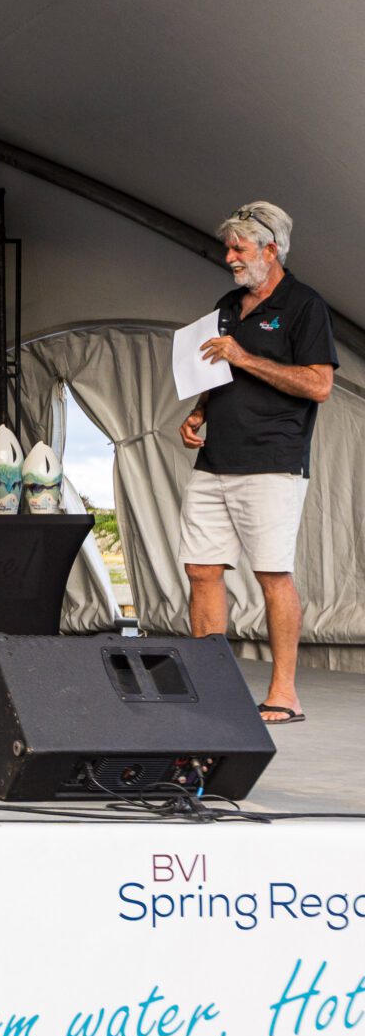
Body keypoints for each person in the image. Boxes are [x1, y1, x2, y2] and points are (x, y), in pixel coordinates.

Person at [178, 201, 335, 725]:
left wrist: (244, 356)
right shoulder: (228, 304)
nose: (229, 257)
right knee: (201, 570)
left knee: (272, 575)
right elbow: (215, 370)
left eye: (239, 248)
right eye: (228, 248)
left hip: (272, 463)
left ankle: (284, 694)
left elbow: (319, 384)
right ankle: (212, 691)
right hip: (214, 461)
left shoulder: (305, 305)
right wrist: (198, 412)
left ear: (271, 250)